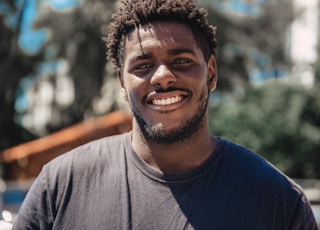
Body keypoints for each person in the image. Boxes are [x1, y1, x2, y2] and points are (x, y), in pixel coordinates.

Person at [13, 0, 318, 229]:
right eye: (142, 65)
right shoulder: (61, 184)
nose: (162, 76)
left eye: (182, 60)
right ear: (122, 82)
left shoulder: (277, 198)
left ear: (211, 74)